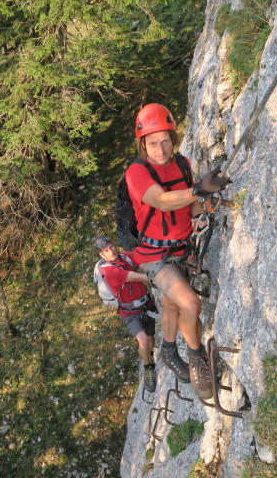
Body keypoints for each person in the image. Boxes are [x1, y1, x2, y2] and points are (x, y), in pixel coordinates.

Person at [124, 103, 231, 400]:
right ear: (142, 144)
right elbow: (162, 201)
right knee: (190, 304)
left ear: (173, 138)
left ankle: (169, 350)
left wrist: (199, 210)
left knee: (171, 306)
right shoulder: (137, 172)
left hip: (182, 248)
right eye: (152, 143)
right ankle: (197, 357)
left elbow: (188, 203)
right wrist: (198, 190)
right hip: (153, 256)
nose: (160, 149)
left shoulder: (182, 163)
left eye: (165, 141)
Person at [94, 236, 157, 393]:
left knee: (149, 339)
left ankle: (150, 356)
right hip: (130, 313)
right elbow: (139, 277)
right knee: (142, 340)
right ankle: (148, 367)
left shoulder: (124, 257)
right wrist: (158, 276)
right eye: (106, 250)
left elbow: (140, 257)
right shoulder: (108, 271)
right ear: (102, 255)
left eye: (111, 246)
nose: (111, 251)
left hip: (146, 304)